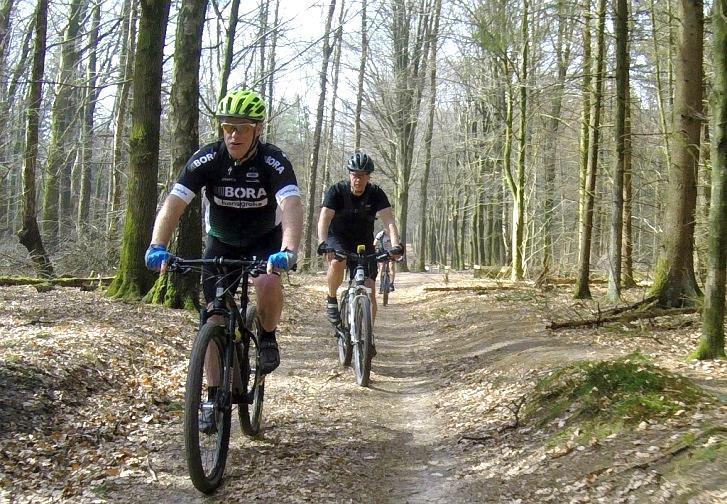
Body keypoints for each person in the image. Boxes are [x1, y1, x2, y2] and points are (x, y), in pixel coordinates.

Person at [144, 88, 303, 382]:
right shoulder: (207, 159)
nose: (233, 135)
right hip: (221, 240)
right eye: (228, 127)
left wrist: (289, 250)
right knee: (214, 316)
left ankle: (267, 336)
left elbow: (291, 205)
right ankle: (212, 394)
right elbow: (174, 204)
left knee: (267, 282)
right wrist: (157, 245)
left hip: (263, 239)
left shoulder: (273, 161)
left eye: (241, 128)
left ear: (258, 128)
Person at [317, 151, 404, 332]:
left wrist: (396, 245)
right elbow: (324, 218)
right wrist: (323, 243)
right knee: (337, 262)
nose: (358, 180)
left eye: (363, 176)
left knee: (370, 290)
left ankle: (367, 337)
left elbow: (389, 221)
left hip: (363, 241)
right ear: (350, 175)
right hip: (338, 238)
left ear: (368, 177)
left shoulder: (376, 193)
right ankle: (331, 298)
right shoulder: (337, 191)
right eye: (355, 175)